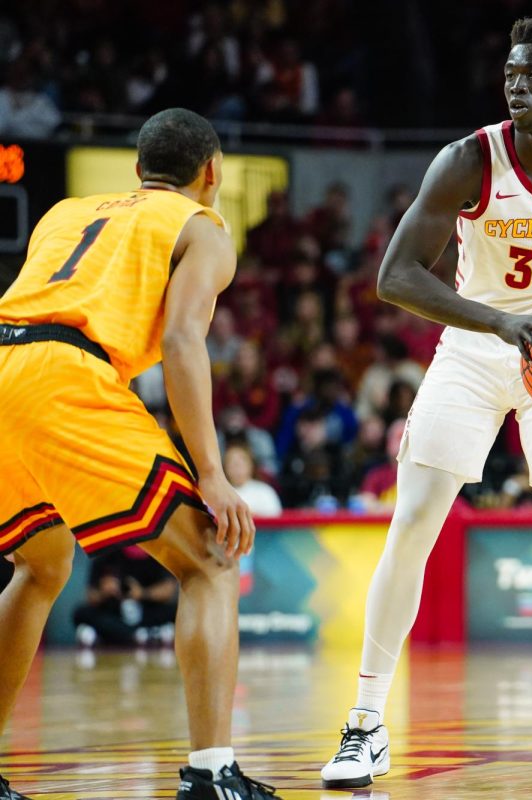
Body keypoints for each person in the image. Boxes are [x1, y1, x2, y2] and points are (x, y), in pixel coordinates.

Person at [318, 18, 532, 792]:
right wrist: (502, 323)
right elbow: (396, 276)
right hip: (477, 349)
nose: (515, 85)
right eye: (509, 73)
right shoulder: (468, 159)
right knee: (410, 524)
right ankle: (366, 726)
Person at [0, 109, 271, 798]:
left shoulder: (64, 210)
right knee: (211, 560)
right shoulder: (204, 226)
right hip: (65, 377)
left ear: (137, 172)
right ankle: (213, 777)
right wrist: (210, 472)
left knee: (41, 563)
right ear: (211, 173)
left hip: (5, 367)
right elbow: (182, 340)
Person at [73, 545, 178, 648]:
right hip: (115, 612)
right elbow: (90, 595)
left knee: (175, 611)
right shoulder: (105, 553)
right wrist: (104, 592)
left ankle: (119, 635)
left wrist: (142, 593)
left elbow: (168, 590)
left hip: (147, 611)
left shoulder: (157, 553)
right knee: (81, 613)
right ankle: (141, 634)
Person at [223, 442, 282, 517]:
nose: (237, 468)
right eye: (232, 464)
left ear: (251, 465)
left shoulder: (265, 491)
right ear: (225, 467)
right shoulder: (220, 493)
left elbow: (276, 519)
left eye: (240, 463)